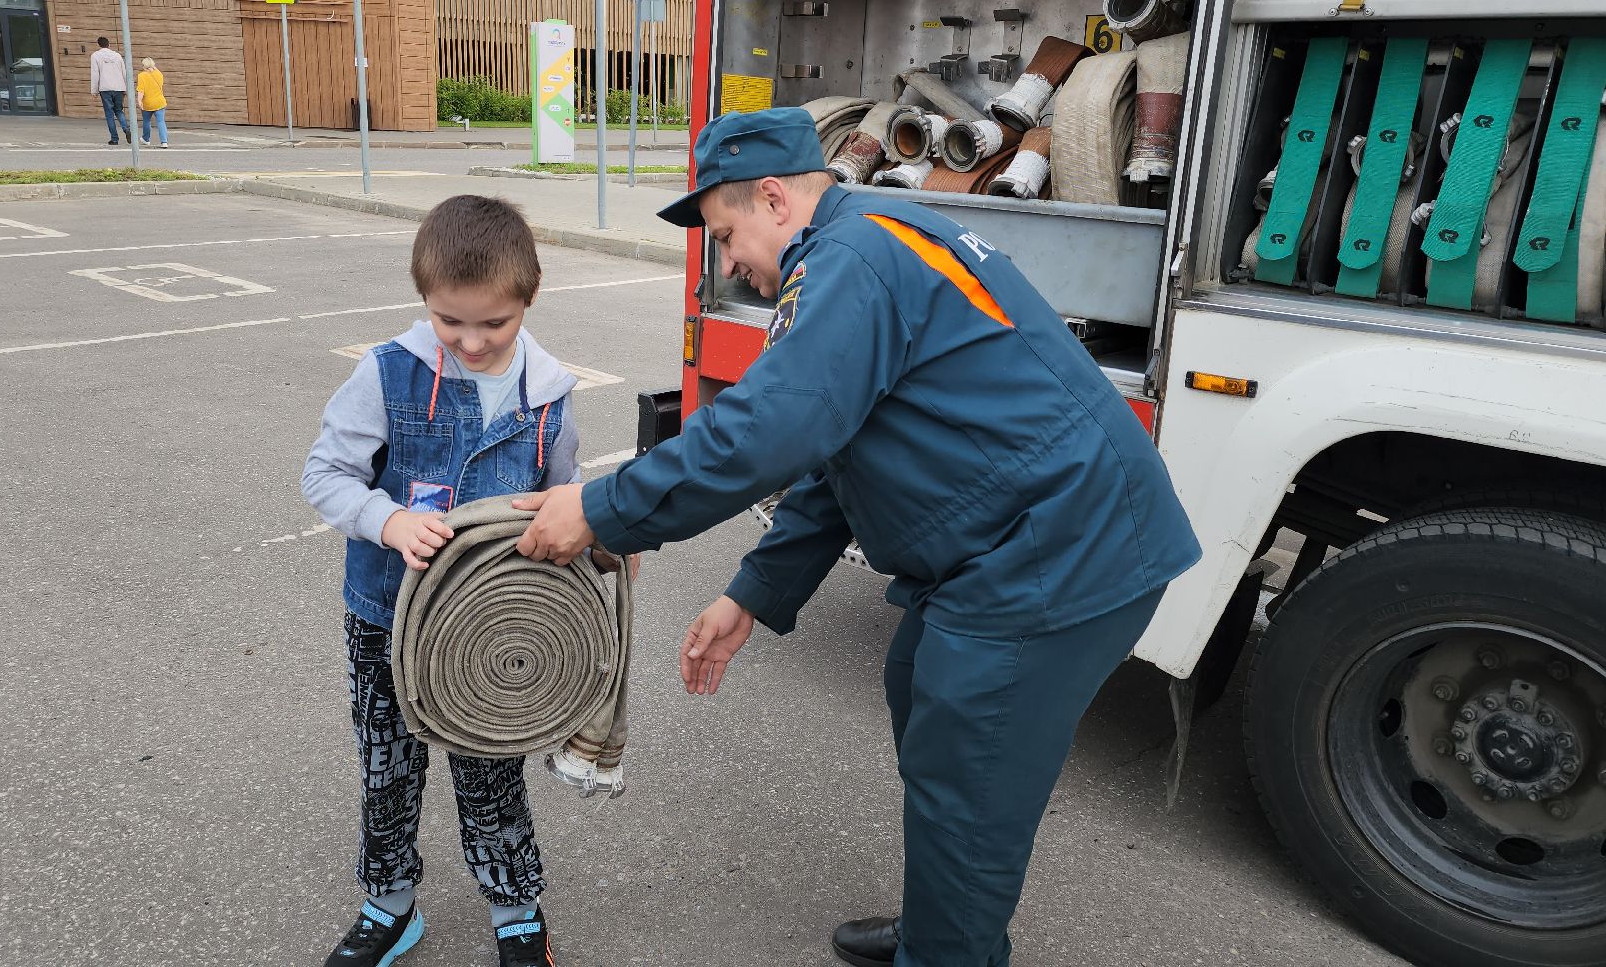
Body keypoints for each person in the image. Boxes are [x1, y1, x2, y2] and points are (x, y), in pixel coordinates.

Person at [513, 107, 1202, 967]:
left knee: (968, 775)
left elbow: (772, 430)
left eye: (727, 235)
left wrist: (601, 508)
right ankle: (943, 923)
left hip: (1059, 549)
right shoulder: (864, 239)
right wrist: (752, 596)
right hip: (1030, 535)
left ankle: (948, 951)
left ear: (773, 199)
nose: (727, 261)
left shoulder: (850, 258)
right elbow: (838, 449)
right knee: (920, 685)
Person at [302, 195, 589, 967]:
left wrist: (600, 535)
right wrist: (386, 520)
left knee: (491, 770)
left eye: (492, 324)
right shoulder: (387, 372)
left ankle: (515, 909)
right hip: (386, 617)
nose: (469, 341)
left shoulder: (550, 395)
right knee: (387, 767)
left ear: (530, 296)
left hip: (492, 633)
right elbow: (324, 474)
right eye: (447, 320)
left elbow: (565, 499)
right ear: (425, 301)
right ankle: (390, 906)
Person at [89, 36, 129, 145]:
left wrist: (94, 90)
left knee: (109, 114)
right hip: (119, 87)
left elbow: (95, 73)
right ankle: (126, 129)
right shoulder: (117, 56)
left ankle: (114, 139)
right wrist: (126, 88)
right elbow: (124, 72)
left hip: (105, 87)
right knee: (119, 110)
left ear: (98, 45)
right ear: (109, 44)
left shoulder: (95, 56)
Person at [136, 57, 168, 149]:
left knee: (146, 121)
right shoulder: (159, 74)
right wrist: (153, 67)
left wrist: (139, 101)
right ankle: (164, 142)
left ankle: (146, 139)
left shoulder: (142, 75)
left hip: (148, 103)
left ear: (144, 66)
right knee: (161, 121)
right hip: (160, 102)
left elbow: (141, 91)